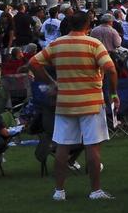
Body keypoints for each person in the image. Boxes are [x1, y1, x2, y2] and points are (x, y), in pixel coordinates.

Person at [30, 11, 117, 201]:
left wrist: (53, 83)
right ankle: (95, 190)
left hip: (65, 102)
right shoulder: (94, 44)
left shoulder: (57, 44)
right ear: (88, 25)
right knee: (92, 148)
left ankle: (59, 191)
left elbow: (34, 62)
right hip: (91, 103)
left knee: (62, 147)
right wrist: (113, 93)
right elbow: (110, 68)